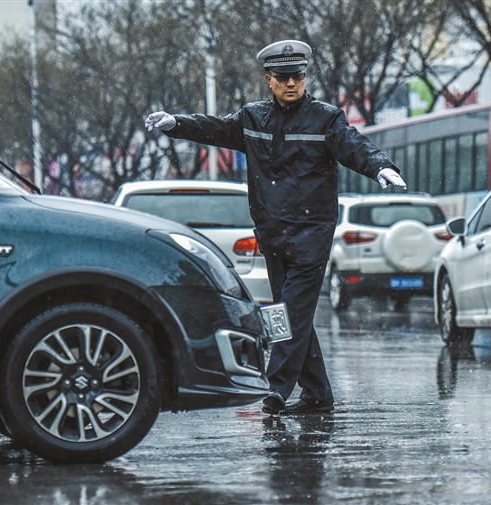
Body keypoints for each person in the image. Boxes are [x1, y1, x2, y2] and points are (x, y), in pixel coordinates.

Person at [145, 39, 406, 415]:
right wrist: (177, 124)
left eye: (297, 76)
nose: (291, 83)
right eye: (283, 78)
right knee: (290, 313)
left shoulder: (326, 118)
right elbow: (215, 129)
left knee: (291, 312)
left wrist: (380, 166)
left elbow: (353, 145)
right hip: (272, 232)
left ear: (304, 77)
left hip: (311, 233)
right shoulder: (252, 118)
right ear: (269, 79)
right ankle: (317, 393)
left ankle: (276, 388)